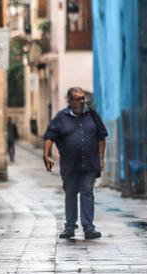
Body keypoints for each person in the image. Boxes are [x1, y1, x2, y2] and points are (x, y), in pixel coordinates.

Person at [43, 87, 108, 240]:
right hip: (70, 164)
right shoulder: (61, 117)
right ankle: (70, 227)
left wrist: (101, 158)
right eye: (78, 99)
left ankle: (89, 228)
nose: (82, 101)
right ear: (70, 101)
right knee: (71, 194)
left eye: (83, 98)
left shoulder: (92, 115)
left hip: (89, 163)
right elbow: (49, 136)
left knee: (87, 192)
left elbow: (102, 136)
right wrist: (45, 155)